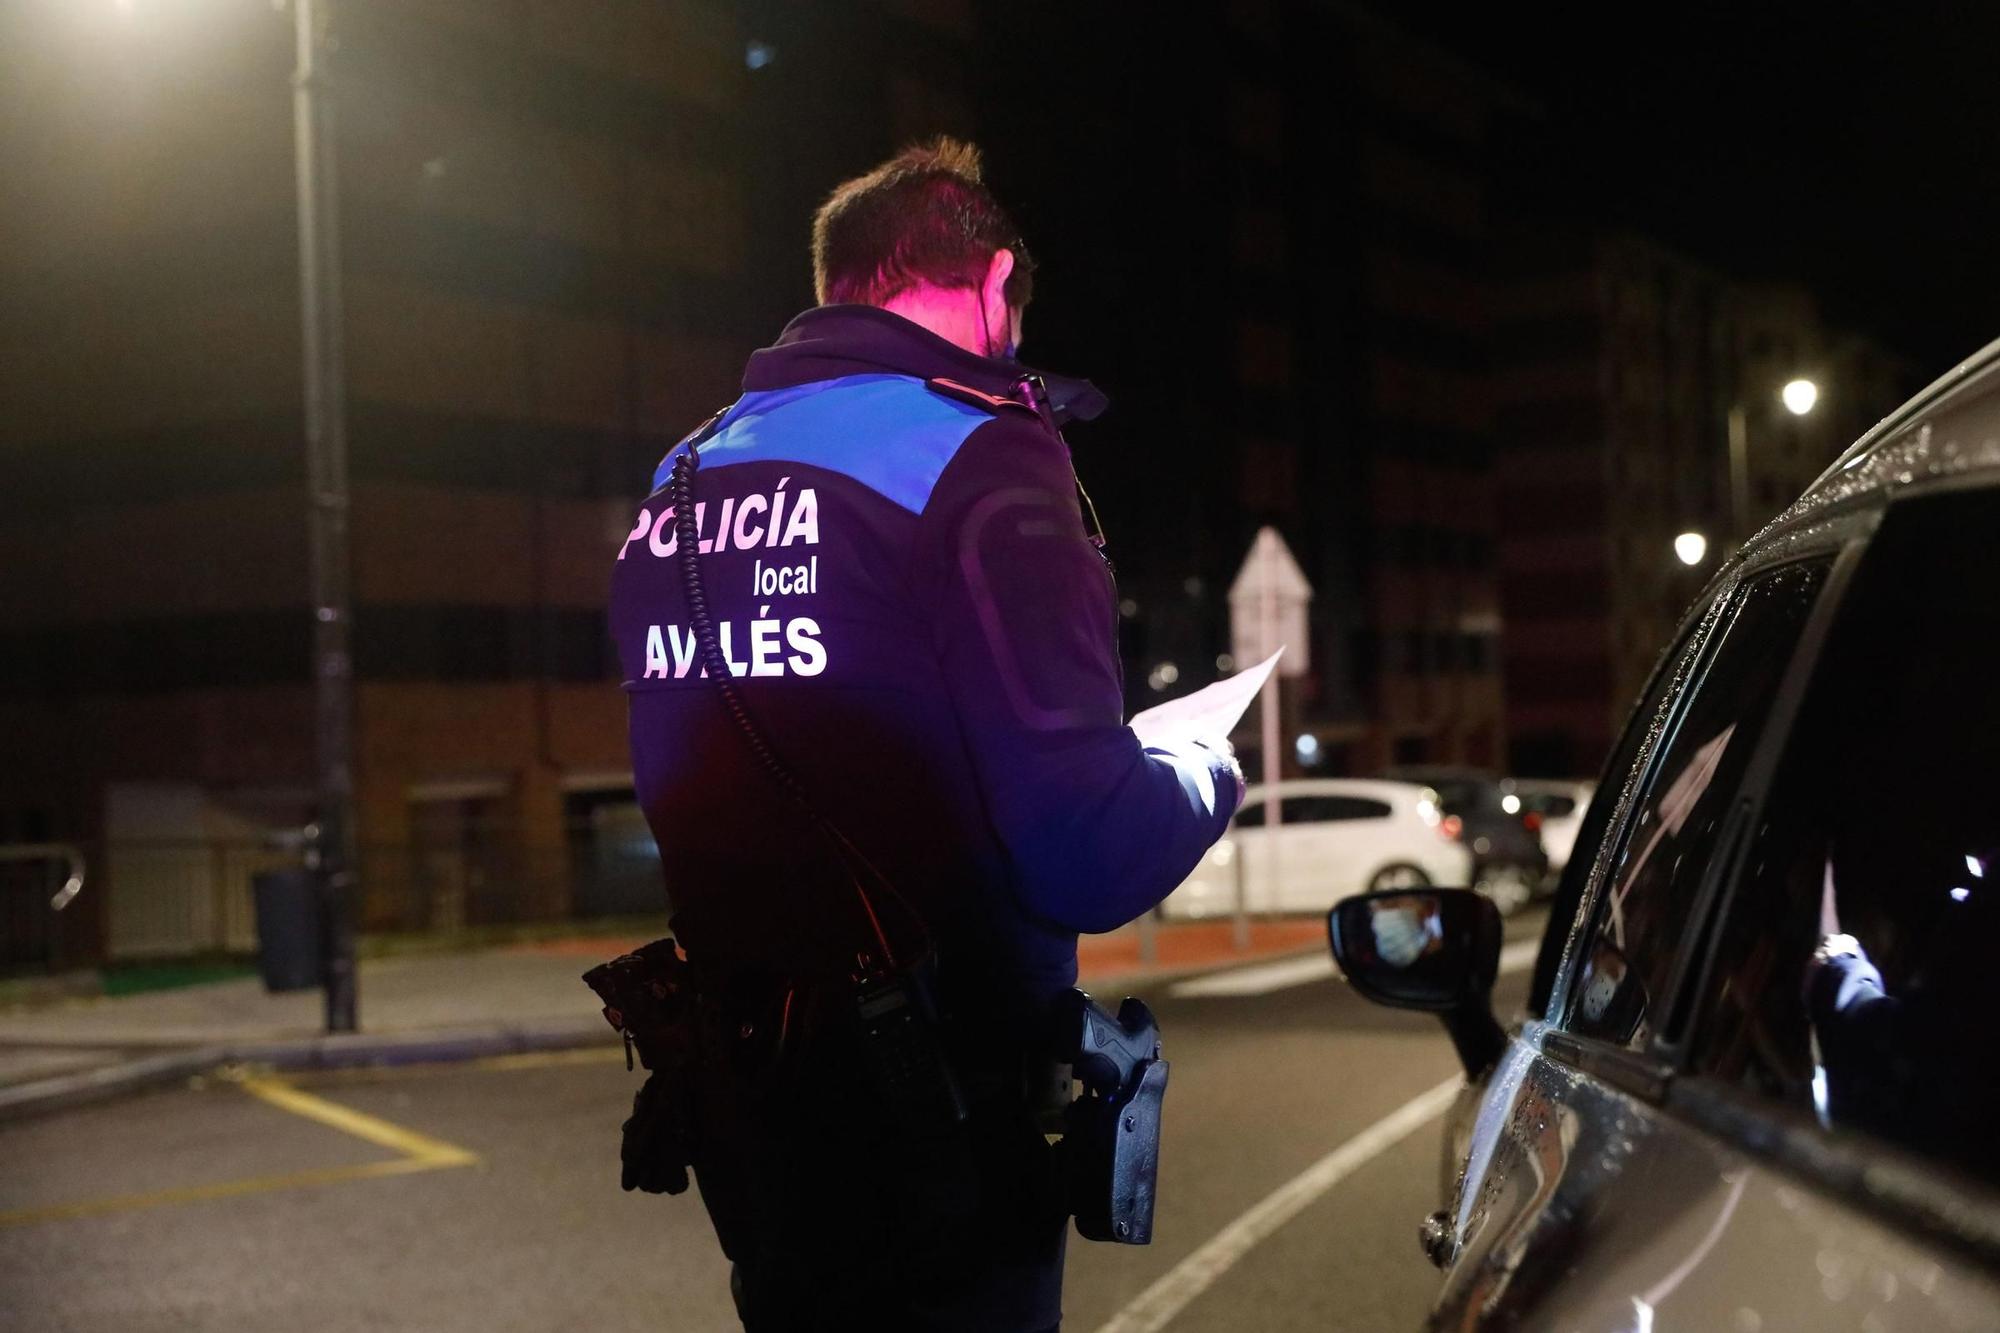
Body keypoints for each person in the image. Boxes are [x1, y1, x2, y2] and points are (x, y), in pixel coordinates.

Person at [607, 138, 1243, 1332]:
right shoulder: (979, 448)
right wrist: (1203, 765)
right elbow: (1084, 850)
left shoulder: (685, 471)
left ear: (834, 282)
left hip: (757, 1113)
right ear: (995, 280)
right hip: (945, 1117)